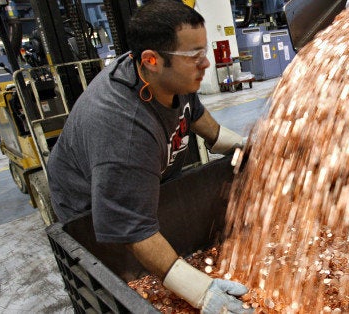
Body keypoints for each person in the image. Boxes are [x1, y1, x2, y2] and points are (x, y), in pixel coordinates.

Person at [47, 1, 252, 313]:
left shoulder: (171, 79)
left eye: (203, 50)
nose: (206, 63)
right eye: (194, 56)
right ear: (151, 60)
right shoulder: (122, 131)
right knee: (122, 276)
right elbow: (132, 227)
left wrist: (242, 145)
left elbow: (193, 113)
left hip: (136, 188)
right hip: (91, 208)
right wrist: (200, 291)